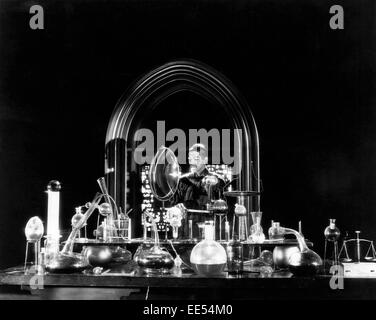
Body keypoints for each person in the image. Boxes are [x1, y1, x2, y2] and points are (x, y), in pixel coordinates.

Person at [168, 143, 225, 239]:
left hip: (210, 231)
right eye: (190, 159)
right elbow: (173, 205)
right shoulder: (182, 181)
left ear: (205, 160)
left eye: (197, 159)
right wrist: (176, 208)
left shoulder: (217, 180)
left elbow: (224, 207)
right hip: (186, 232)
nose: (193, 162)